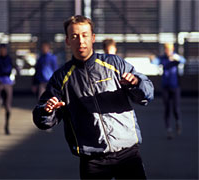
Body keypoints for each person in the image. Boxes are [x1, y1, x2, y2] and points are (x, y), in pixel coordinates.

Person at [33, 15, 154, 179]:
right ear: (68, 41)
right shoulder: (61, 77)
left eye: (84, 35)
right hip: (92, 160)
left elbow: (147, 93)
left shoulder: (114, 64)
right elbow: (42, 119)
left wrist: (136, 83)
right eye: (74, 36)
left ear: (93, 38)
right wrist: (47, 111)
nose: (80, 41)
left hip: (128, 155)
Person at [150, 43, 186, 139]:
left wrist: (176, 58)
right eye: (166, 49)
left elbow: (183, 60)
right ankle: (169, 129)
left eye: (169, 49)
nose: (167, 51)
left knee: (175, 108)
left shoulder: (175, 58)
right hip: (165, 87)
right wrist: (152, 58)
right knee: (167, 109)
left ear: (172, 49)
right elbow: (154, 62)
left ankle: (178, 122)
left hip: (175, 87)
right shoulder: (163, 58)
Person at [0, 44, 18, 135]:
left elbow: (15, 67)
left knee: (8, 106)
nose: (2, 51)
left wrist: (15, 75)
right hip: (0, 81)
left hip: (8, 82)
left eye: (4, 50)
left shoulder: (9, 59)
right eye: (1, 50)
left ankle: (7, 125)